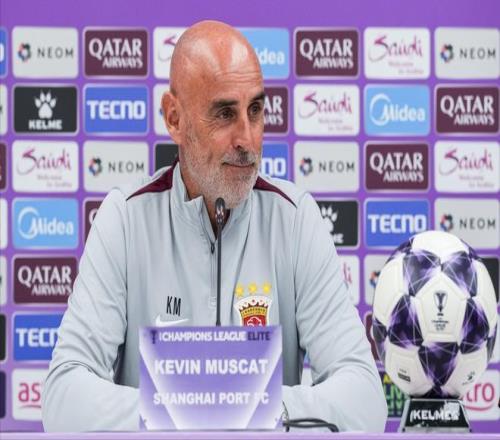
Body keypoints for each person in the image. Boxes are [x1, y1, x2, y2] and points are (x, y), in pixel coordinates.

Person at [42, 20, 387, 432]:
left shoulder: (295, 220)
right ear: (175, 118)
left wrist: (247, 407)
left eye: (255, 111)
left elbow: (365, 400)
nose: (247, 139)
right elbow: (64, 400)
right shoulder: (125, 220)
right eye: (225, 114)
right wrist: (199, 407)